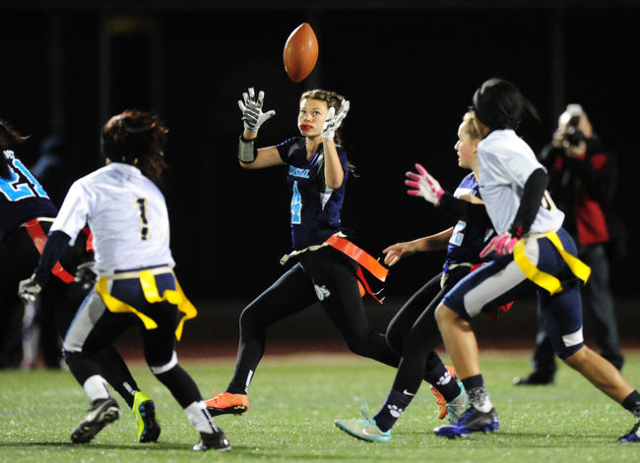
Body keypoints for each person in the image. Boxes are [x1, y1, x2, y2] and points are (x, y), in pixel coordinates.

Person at [409, 78, 640, 442]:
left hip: (537, 247)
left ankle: (481, 408)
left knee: (448, 313)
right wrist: (442, 200)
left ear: (484, 114)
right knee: (573, 350)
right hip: (558, 244)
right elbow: (488, 214)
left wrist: (515, 233)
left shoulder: (493, 146)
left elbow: (537, 178)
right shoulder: (509, 143)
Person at [204, 88, 456, 418]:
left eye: (316, 112)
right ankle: (236, 393)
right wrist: (250, 131)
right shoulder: (293, 147)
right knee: (253, 316)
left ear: (331, 120)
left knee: (362, 340)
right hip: (309, 261)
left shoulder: (332, 152)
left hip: (329, 257)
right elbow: (247, 160)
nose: (307, 117)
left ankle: (444, 379)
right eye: (303, 111)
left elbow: (335, 180)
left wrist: (328, 138)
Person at [18, 110, 230, 451]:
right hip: (165, 284)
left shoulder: (88, 184)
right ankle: (211, 434)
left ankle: (102, 400)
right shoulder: (151, 188)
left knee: (74, 348)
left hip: (123, 284)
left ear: (107, 146)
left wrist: (39, 276)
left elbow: (58, 236)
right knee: (164, 364)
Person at [334, 111, 498, 442]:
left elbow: (482, 218)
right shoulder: (470, 181)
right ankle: (457, 397)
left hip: (472, 276)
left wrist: (446, 200)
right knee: (396, 335)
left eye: (461, 140)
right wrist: (415, 245)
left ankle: (383, 423)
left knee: (416, 342)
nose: (455, 146)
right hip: (451, 272)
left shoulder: (495, 183)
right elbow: (462, 226)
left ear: (478, 146)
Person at [1, 118, 161, 443]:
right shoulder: (12, 159)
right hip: (61, 238)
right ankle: (126, 399)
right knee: (76, 338)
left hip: (25, 243)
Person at [514, 103, 623, 385]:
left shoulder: (601, 155)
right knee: (548, 304)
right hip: (558, 242)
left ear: (590, 128)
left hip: (591, 240)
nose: (574, 129)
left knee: (600, 305)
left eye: (578, 124)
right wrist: (556, 148)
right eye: (567, 125)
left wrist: (580, 158)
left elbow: (603, 193)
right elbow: (538, 181)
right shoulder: (554, 155)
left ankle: (612, 364)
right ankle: (543, 368)